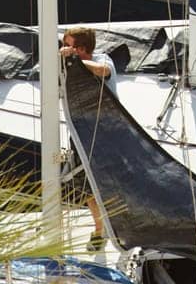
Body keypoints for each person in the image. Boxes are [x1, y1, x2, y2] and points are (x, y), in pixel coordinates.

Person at [60, 26, 117, 250]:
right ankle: (99, 229)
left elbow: (103, 71)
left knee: (108, 183)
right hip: (79, 130)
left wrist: (75, 61)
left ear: (81, 49)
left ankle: (114, 226)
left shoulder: (103, 60)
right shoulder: (69, 63)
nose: (63, 49)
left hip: (105, 132)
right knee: (85, 186)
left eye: (68, 45)